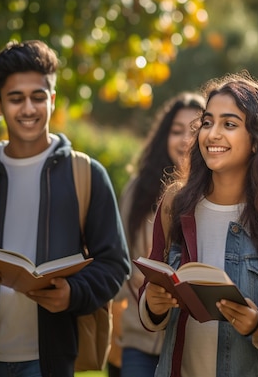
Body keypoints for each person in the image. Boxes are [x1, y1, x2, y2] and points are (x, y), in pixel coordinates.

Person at [0, 40, 130, 377]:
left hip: (50, 363)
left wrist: (73, 294)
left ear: (51, 99)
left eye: (38, 97)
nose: (29, 109)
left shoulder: (87, 175)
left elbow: (114, 263)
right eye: (15, 98)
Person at [139, 71, 258, 377]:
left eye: (229, 124)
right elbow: (151, 295)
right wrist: (153, 303)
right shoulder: (175, 205)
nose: (212, 134)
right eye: (208, 122)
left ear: (256, 140)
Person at [110, 92, 206, 377]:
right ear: (164, 135)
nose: (185, 140)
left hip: (192, 339)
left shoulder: (214, 196)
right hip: (138, 334)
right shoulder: (137, 190)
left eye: (194, 131)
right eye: (176, 131)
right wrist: (117, 319)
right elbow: (120, 257)